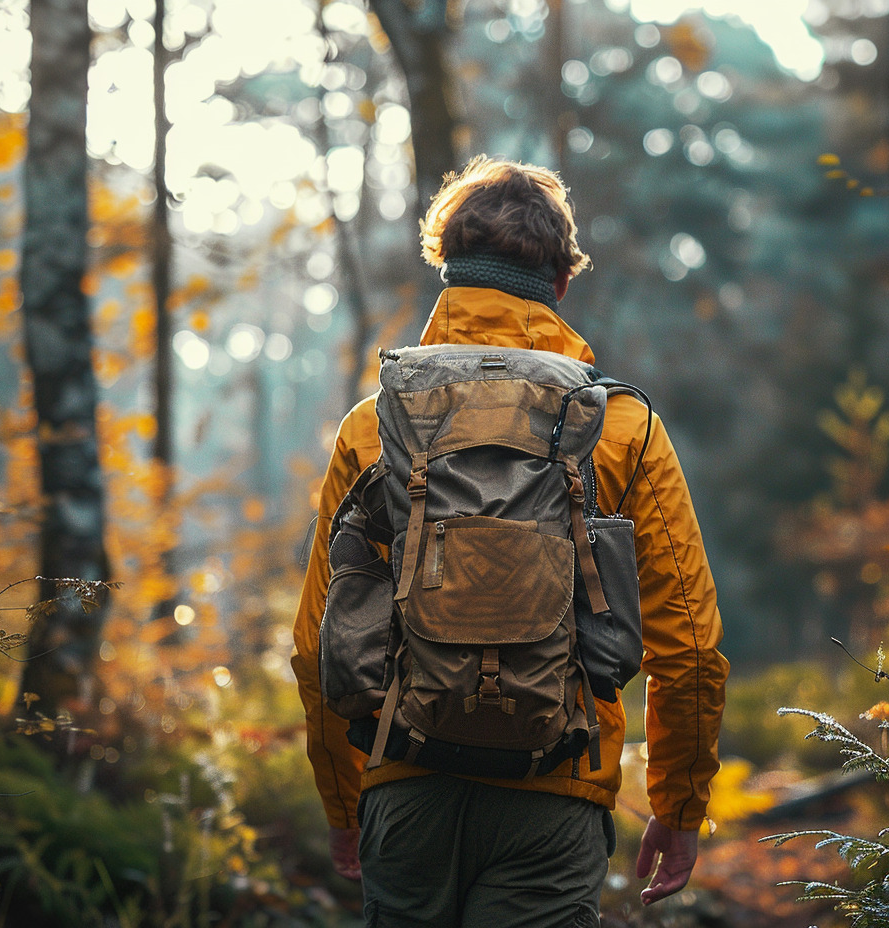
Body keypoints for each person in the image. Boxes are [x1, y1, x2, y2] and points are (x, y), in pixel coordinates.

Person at [291, 156, 729, 927]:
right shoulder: (621, 426)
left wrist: (345, 797)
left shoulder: (376, 425)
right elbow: (687, 646)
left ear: (447, 273)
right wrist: (678, 804)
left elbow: (318, 638)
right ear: (561, 283)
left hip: (406, 779)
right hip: (555, 793)